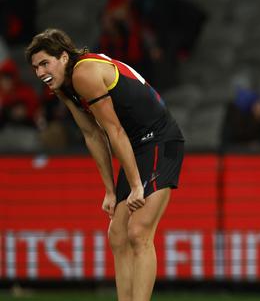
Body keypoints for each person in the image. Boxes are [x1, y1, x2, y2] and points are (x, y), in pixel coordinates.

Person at [24, 29, 184, 301]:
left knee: (138, 232)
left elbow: (114, 131)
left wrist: (135, 186)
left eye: (44, 63)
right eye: (36, 67)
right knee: (118, 234)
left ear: (63, 57)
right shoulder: (66, 87)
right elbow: (93, 135)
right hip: (138, 146)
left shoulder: (83, 73)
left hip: (160, 140)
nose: (40, 73)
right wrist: (110, 191)